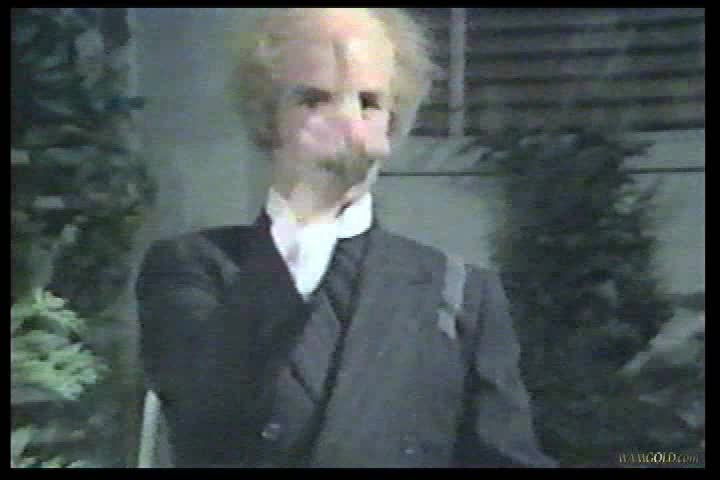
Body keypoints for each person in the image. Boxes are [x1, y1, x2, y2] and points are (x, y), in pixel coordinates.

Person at [136, 8, 557, 468]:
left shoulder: (457, 293)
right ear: (268, 117)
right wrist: (308, 210)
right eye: (314, 100)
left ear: (392, 124)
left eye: (368, 102)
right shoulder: (195, 266)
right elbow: (201, 414)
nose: (346, 121)